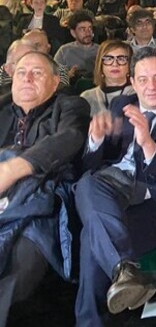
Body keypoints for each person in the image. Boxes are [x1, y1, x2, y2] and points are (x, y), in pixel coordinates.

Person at [73, 47, 156, 325]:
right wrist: (94, 140)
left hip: (147, 205)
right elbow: (91, 164)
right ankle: (124, 269)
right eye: (143, 79)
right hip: (109, 192)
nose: (150, 86)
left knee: (91, 232)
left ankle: (96, 310)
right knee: (87, 182)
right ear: (132, 81)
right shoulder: (121, 105)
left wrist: (147, 142)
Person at [0, 51, 90, 326]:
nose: (27, 78)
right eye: (21, 72)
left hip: (41, 205)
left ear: (54, 82)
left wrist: (12, 168)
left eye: (37, 73)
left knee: (18, 271)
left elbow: (69, 137)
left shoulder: (70, 105)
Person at [80, 40, 134, 115]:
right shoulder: (87, 97)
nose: (115, 64)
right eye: (109, 59)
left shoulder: (138, 95)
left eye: (121, 59)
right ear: (100, 64)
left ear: (129, 65)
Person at [54, 10, 100, 78]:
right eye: (82, 29)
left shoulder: (101, 50)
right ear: (73, 33)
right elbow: (55, 76)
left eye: (90, 28)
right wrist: (67, 76)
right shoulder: (64, 51)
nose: (87, 33)